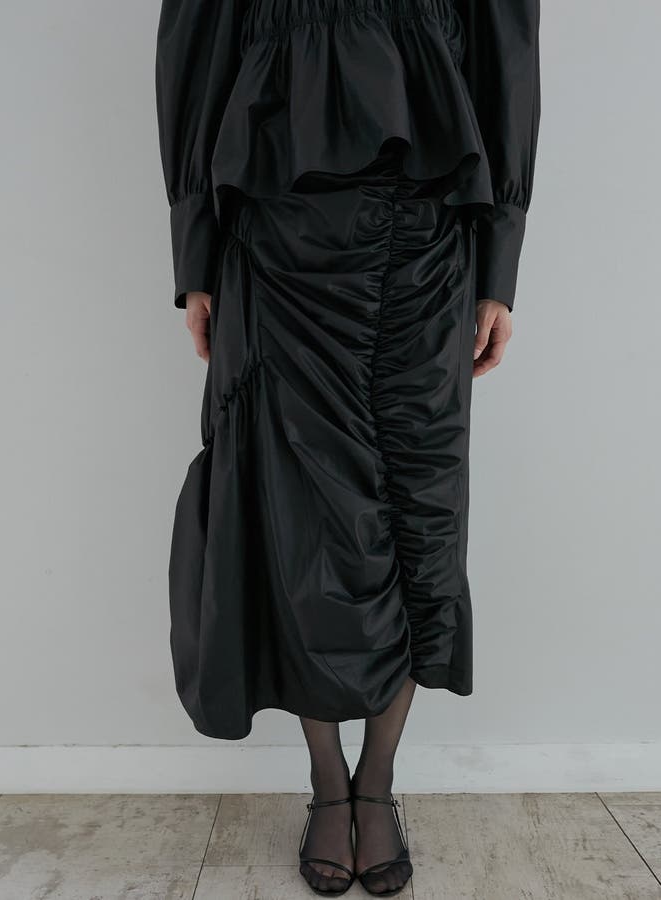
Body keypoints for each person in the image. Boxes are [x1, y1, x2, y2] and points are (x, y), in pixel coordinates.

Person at [155, 1, 540, 894]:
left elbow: (507, 57)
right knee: (301, 524)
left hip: (428, 235)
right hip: (275, 236)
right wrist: (196, 254)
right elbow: (194, 49)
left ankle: (379, 782)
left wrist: (499, 263)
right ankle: (330, 784)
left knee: (419, 515)